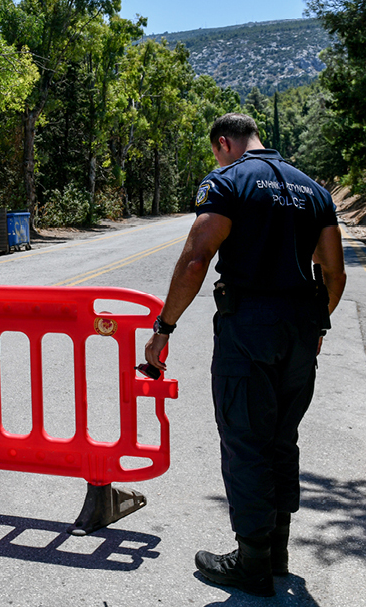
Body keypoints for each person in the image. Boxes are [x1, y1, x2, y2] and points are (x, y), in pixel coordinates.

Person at [143, 112, 346, 597]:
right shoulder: (313, 190)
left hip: (249, 327)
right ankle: (276, 552)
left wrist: (163, 328)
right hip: (301, 329)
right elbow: (334, 272)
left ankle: (252, 562)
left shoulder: (227, 182)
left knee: (247, 440)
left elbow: (196, 259)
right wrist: (316, 323)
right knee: (281, 438)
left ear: (223, 143)